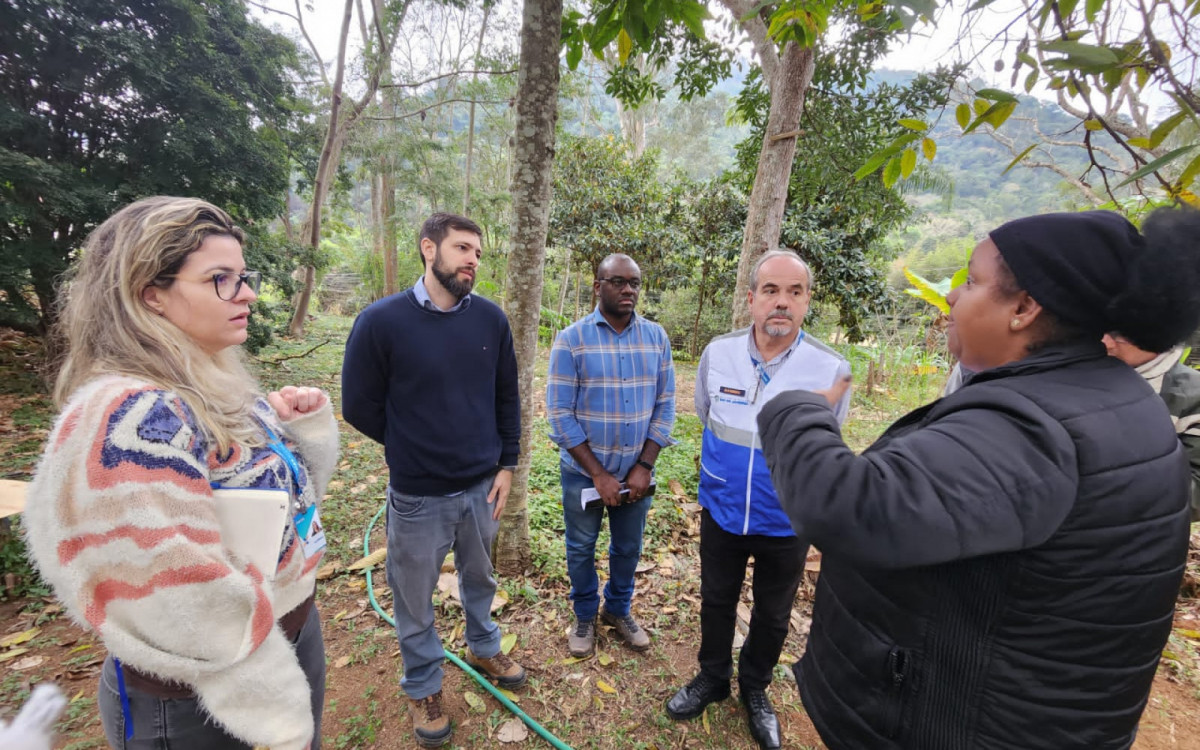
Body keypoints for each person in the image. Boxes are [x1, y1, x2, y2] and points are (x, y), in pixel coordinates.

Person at [757, 207, 1200, 749]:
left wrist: (796, 408)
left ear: (1025, 307)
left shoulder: (1034, 428)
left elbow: (848, 506)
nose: (951, 297)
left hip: (966, 724)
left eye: (971, 281)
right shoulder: (1113, 398)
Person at [24, 196, 337, 750]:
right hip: (207, 697)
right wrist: (274, 704)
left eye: (243, 277)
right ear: (152, 294)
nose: (247, 294)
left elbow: (290, 508)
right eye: (221, 279)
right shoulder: (130, 418)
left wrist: (303, 431)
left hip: (279, 643)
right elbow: (177, 599)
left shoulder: (215, 386)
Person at [341, 212, 523, 748]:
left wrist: (507, 464)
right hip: (418, 494)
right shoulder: (381, 321)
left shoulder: (490, 320)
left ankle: (483, 647)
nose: (473, 260)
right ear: (429, 248)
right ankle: (423, 685)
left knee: (480, 577)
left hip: (482, 486)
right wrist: (409, 444)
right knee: (414, 595)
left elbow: (507, 396)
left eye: (478, 253)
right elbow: (358, 405)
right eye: (463, 248)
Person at [666, 250, 850, 750]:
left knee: (772, 613)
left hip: (786, 519)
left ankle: (755, 688)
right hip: (722, 509)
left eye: (794, 292)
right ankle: (712, 677)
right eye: (771, 290)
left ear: (807, 301)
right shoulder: (718, 354)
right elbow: (706, 413)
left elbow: (829, 440)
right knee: (716, 600)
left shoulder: (830, 368)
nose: (781, 302)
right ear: (751, 299)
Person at [546, 253, 676, 657]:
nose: (628, 290)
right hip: (583, 474)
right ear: (597, 286)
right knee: (581, 546)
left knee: (628, 547)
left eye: (634, 283)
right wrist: (598, 474)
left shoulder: (656, 338)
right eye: (618, 282)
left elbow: (666, 405)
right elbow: (559, 413)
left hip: (637, 472)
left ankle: (617, 609)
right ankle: (585, 615)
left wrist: (645, 465)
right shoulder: (572, 339)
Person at [1102, 335, 1200, 520]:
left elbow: (1195, 494)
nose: (1105, 342)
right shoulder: (1068, 373)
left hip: (1138, 530)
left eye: (1121, 335)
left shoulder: (1193, 396)